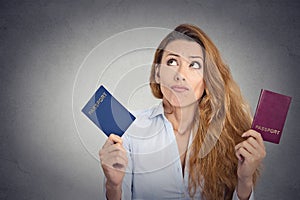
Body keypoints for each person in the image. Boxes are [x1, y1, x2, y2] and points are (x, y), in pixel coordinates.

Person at [99, 24, 266, 200]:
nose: (180, 74)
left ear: (208, 78)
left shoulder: (229, 133)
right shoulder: (129, 127)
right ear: (157, 73)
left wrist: (245, 181)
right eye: (172, 62)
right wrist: (113, 185)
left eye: (194, 64)